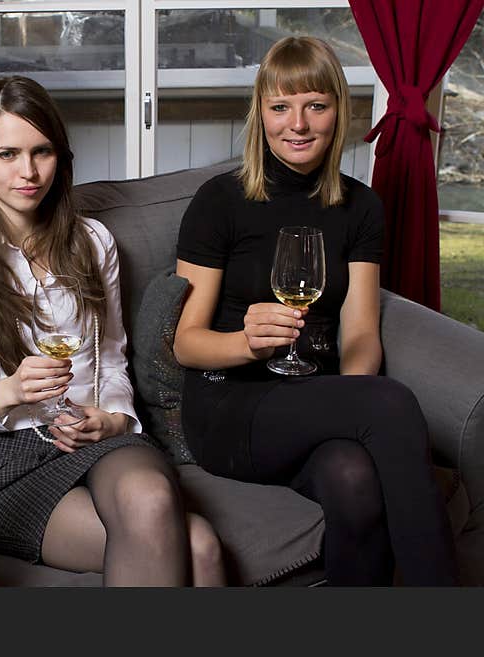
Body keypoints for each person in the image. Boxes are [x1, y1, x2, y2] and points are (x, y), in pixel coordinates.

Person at [0, 75, 225, 586]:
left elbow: (111, 360)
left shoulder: (93, 242)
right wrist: (5, 393)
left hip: (89, 437)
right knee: (199, 547)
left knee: (162, 506)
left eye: (42, 151)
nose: (28, 172)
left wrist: (113, 419)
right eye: (7, 154)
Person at [173, 36, 458, 586]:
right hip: (229, 407)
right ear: (261, 113)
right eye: (280, 107)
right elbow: (186, 341)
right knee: (391, 403)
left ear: (338, 113)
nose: (297, 124)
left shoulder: (361, 206)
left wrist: (352, 411)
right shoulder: (220, 201)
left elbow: (359, 333)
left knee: (356, 480)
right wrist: (247, 342)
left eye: (315, 106)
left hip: (315, 398)